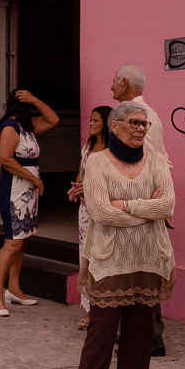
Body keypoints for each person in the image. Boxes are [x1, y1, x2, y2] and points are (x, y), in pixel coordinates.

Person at [64, 101, 175, 369]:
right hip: (108, 262)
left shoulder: (157, 161)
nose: (141, 128)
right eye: (134, 122)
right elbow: (100, 212)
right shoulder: (97, 162)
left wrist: (124, 204)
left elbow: (168, 204)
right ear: (115, 126)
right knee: (100, 335)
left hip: (148, 259)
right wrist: (147, 210)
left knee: (140, 335)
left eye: (144, 124)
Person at [111, 63, 171, 356]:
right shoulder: (147, 113)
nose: (111, 85)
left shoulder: (136, 116)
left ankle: (149, 337)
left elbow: (146, 160)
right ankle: (144, 335)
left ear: (124, 82)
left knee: (139, 270)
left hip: (136, 205)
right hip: (141, 204)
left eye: (114, 80)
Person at [0, 89, 59, 316]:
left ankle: (14, 289)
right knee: (12, 243)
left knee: (21, 240)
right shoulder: (11, 126)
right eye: (29, 104)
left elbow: (53, 119)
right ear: (22, 105)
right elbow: (5, 159)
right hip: (14, 190)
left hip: (27, 192)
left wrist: (35, 99)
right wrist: (33, 179)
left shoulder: (27, 126)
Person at [68, 105, 112, 330]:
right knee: (86, 257)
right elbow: (80, 174)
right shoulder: (88, 147)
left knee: (102, 257)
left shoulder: (113, 150)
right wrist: (77, 188)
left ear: (106, 123)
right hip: (86, 210)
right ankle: (89, 309)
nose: (91, 123)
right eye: (90, 120)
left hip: (105, 209)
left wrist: (89, 189)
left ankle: (105, 309)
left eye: (96, 120)